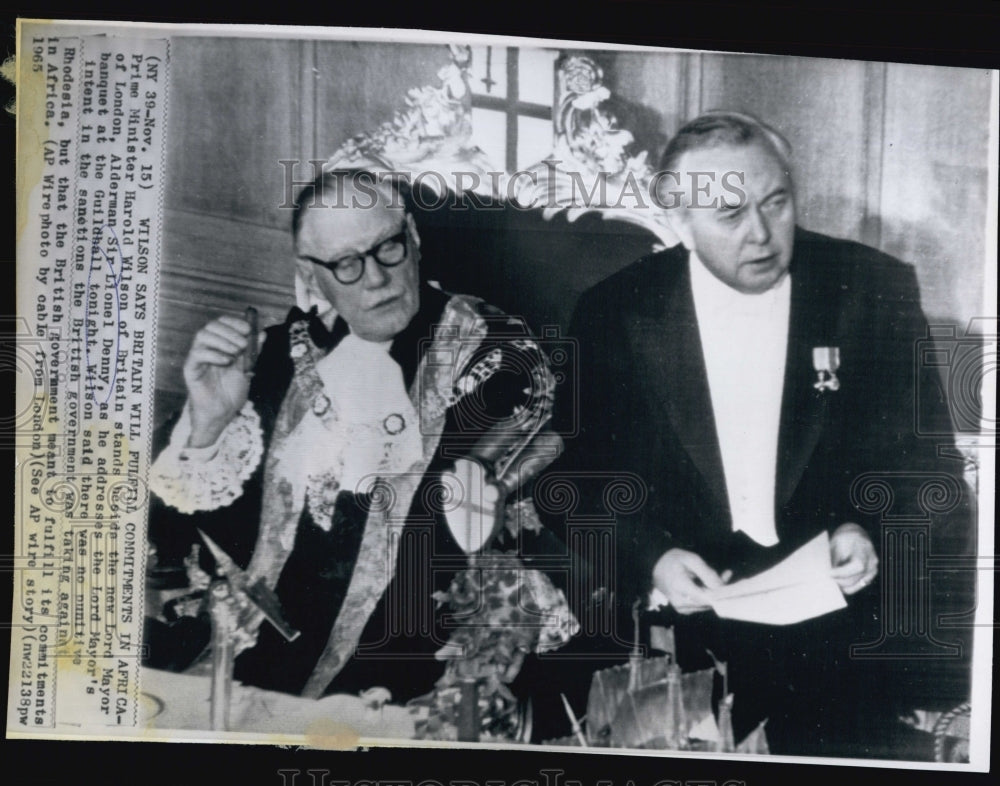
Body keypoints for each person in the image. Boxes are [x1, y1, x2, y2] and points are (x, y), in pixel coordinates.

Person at [552, 112, 974, 757]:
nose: (761, 235)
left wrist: (866, 528)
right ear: (677, 215)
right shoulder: (613, 312)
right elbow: (576, 479)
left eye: (776, 202)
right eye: (728, 214)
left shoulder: (871, 288)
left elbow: (928, 466)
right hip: (686, 631)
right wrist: (653, 557)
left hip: (844, 629)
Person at [145, 168, 577, 732]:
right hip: (242, 660)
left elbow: (486, 544)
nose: (375, 279)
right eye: (346, 264)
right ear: (310, 274)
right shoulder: (275, 357)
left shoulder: (497, 361)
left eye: (388, 249)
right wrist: (207, 424)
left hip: (402, 669)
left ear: (414, 239)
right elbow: (176, 540)